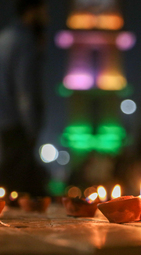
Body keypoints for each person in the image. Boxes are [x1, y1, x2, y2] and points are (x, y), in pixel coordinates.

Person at [0, 0, 49, 196]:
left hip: (4, 123)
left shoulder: (4, 38)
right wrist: (32, 128)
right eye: (44, 12)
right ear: (32, 12)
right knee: (28, 194)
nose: (47, 18)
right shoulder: (24, 40)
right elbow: (25, 91)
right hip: (17, 125)